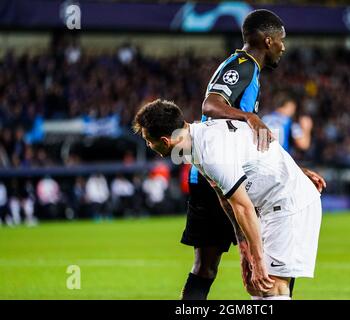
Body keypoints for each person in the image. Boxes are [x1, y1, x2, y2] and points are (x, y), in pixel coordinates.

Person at [133, 99, 325, 299]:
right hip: (275, 203)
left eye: (149, 140)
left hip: (289, 204)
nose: (148, 145)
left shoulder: (211, 153)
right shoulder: (196, 139)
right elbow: (226, 194)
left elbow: (243, 208)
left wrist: (258, 260)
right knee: (259, 290)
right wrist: (244, 247)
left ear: (165, 141)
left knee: (271, 288)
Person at [178, 8, 287, 300]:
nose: (283, 47)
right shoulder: (243, 64)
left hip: (218, 173)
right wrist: (249, 117)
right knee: (266, 265)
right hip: (218, 174)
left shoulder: (244, 66)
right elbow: (210, 105)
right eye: (280, 39)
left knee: (207, 269)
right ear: (267, 40)